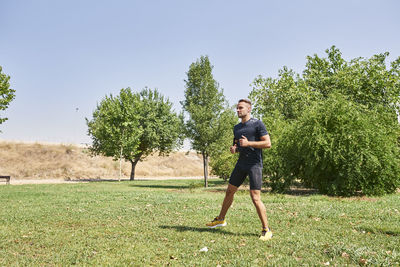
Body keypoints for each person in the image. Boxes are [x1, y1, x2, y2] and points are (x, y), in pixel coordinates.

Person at [206, 99, 272, 241]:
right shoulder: (236, 128)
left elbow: (268, 143)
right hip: (241, 164)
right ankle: (221, 219)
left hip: (255, 165)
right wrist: (235, 149)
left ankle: (266, 229)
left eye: (240, 108)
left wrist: (249, 143)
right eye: (237, 108)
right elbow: (238, 145)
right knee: (229, 191)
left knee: (255, 198)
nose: (237, 110)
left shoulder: (257, 124)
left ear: (249, 109)